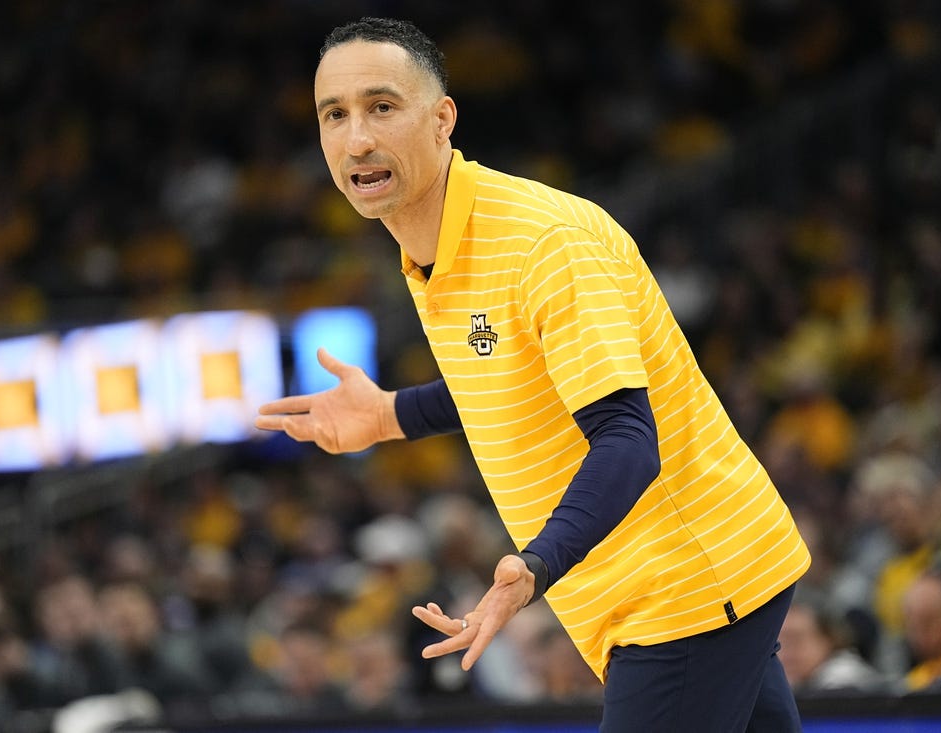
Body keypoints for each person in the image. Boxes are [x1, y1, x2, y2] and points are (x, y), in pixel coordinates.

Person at [256, 17, 811, 731]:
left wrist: (533, 568)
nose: (356, 137)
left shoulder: (542, 244)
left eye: (381, 106)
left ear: (441, 118)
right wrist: (392, 413)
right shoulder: (436, 245)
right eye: (335, 114)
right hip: (671, 582)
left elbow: (626, 438)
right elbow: (516, 370)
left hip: (684, 585)